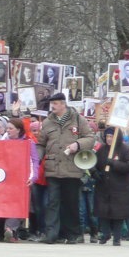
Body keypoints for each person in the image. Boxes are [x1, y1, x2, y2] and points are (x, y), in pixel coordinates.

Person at [36, 92, 93, 244]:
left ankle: (74, 234)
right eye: (51, 104)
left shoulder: (78, 119)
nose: (52, 106)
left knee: (71, 203)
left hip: (72, 168)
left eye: (55, 104)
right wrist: (36, 158)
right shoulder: (47, 122)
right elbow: (41, 144)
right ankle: (51, 234)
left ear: (63, 104)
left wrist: (78, 144)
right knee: (52, 202)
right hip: (53, 168)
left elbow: (90, 138)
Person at [93, 127, 129, 246]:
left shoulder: (125, 150)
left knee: (118, 214)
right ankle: (105, 234)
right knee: (103, 212)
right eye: (107, 136)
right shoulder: (101, 149)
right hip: (103, 186)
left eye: (111, 136)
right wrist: (94, 172)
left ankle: (117, 237)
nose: (109, 139)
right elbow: (93, 163)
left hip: (119, 188)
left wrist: (114, 163)